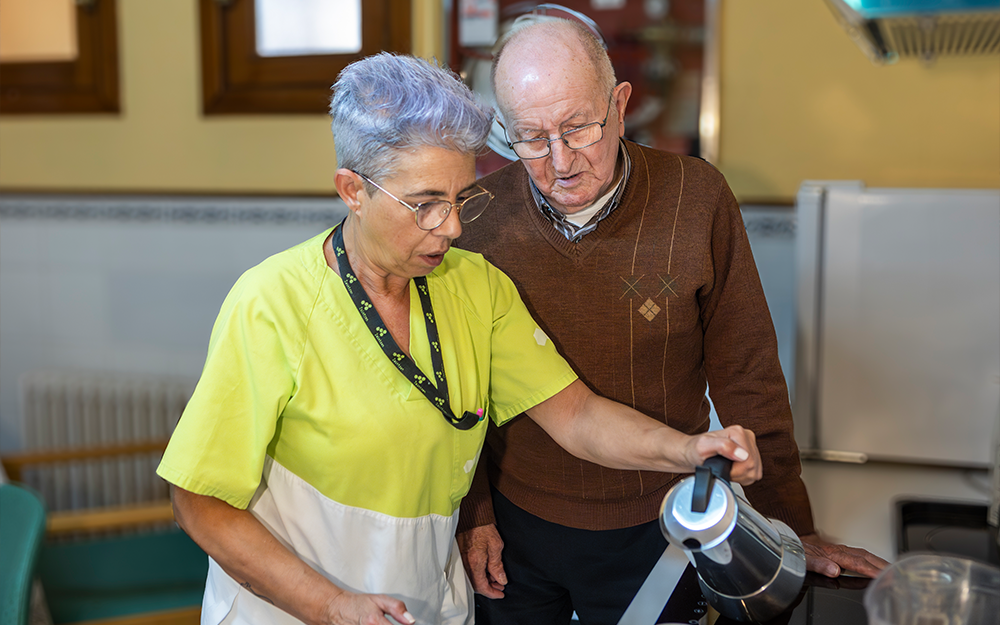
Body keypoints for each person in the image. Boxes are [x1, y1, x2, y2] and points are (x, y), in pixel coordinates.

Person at [154, 52, 762, 625]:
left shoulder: (473, 286)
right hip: (295, 605)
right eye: (425, 204)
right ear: (352, 190)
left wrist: (689, 450)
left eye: (460, 199)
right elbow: (198, 501)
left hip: (426, 595)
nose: (451, 227)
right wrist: (331, 606)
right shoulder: (272, 303)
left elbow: (577, 416)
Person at [455, 18, 890, 625]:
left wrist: (789, 527)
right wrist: (473, 513)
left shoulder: (697, 197)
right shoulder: (474, 221)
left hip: (661, 522)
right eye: (530, 137)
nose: (560, 161)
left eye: (578, 128)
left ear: (620, 105)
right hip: (514, 527)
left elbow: (748, 374)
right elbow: (458, 389)